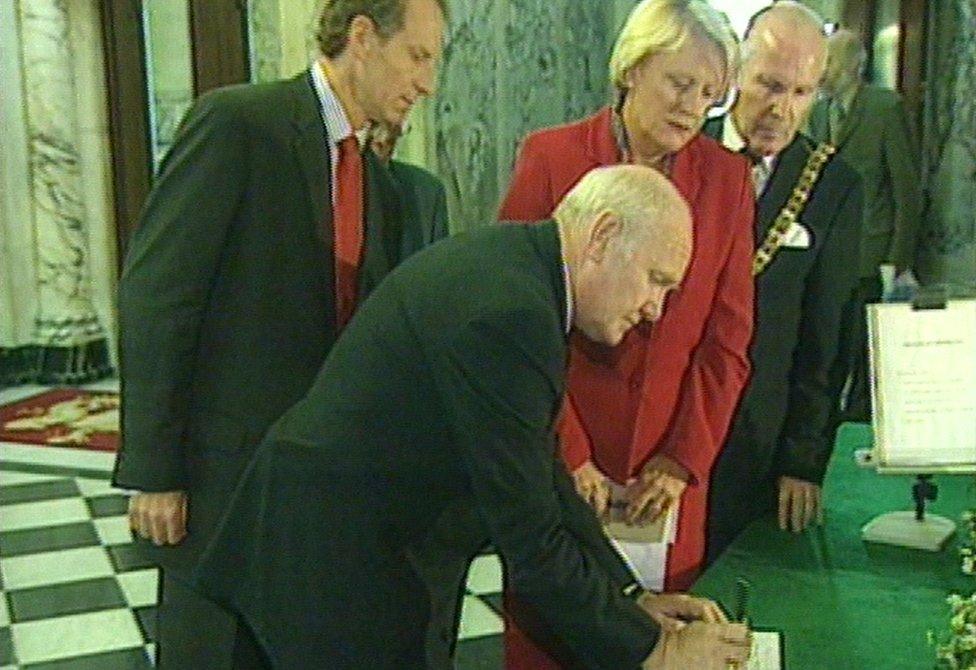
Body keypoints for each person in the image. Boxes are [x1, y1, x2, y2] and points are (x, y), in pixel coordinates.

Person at [191, 165, 752, 670]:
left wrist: (632, 601)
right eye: (656, 279)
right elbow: (531, 539)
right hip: (329, 570)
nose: (655, 309)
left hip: (359, 554)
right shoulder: (512, 312)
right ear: (602, 237)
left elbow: (544, 477)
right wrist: (659, 651)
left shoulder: (523, 277)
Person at [112, 0, 447, 667]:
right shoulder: (240, 123)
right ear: (361, 38)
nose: (428, 82)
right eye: (418, 55)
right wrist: (155, 470)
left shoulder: (380, 185)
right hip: (220, 493)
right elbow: (159, 296)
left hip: (314, 501)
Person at [499, 1, 754, 665]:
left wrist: (681, 459)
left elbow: (727, 345)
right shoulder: (551, 158)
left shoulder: (727, 182)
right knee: (552, 635)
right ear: (633, 68)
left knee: (664, 644)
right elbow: (515, 321)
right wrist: (569, 452)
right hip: (560, 458)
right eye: (679, 83)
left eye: (708, 93)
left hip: (665, 479)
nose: (692, 106)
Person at [704, 2, 864, 562]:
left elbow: (829, 337)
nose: (780, 108)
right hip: (663, 429)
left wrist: (804, 459)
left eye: (800, 92)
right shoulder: (681, 150)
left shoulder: (834, 186)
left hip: (759, 441)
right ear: (735, 74)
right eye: (769, 85)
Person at [807, 28, 923, 422]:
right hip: (829, 252)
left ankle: (856, 425)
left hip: (872, 254)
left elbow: (906, 189)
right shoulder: (819, 112)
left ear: (855, 66)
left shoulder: (884, 109)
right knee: (828, 345)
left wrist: (899, 259)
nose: (824, 72)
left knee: (864, 349)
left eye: (832, 63)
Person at [370, 121, 450, 251]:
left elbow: (438, 267)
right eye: (374, 127)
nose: (382, 139)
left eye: (392, 129)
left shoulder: (427, 191)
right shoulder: (331, 184)